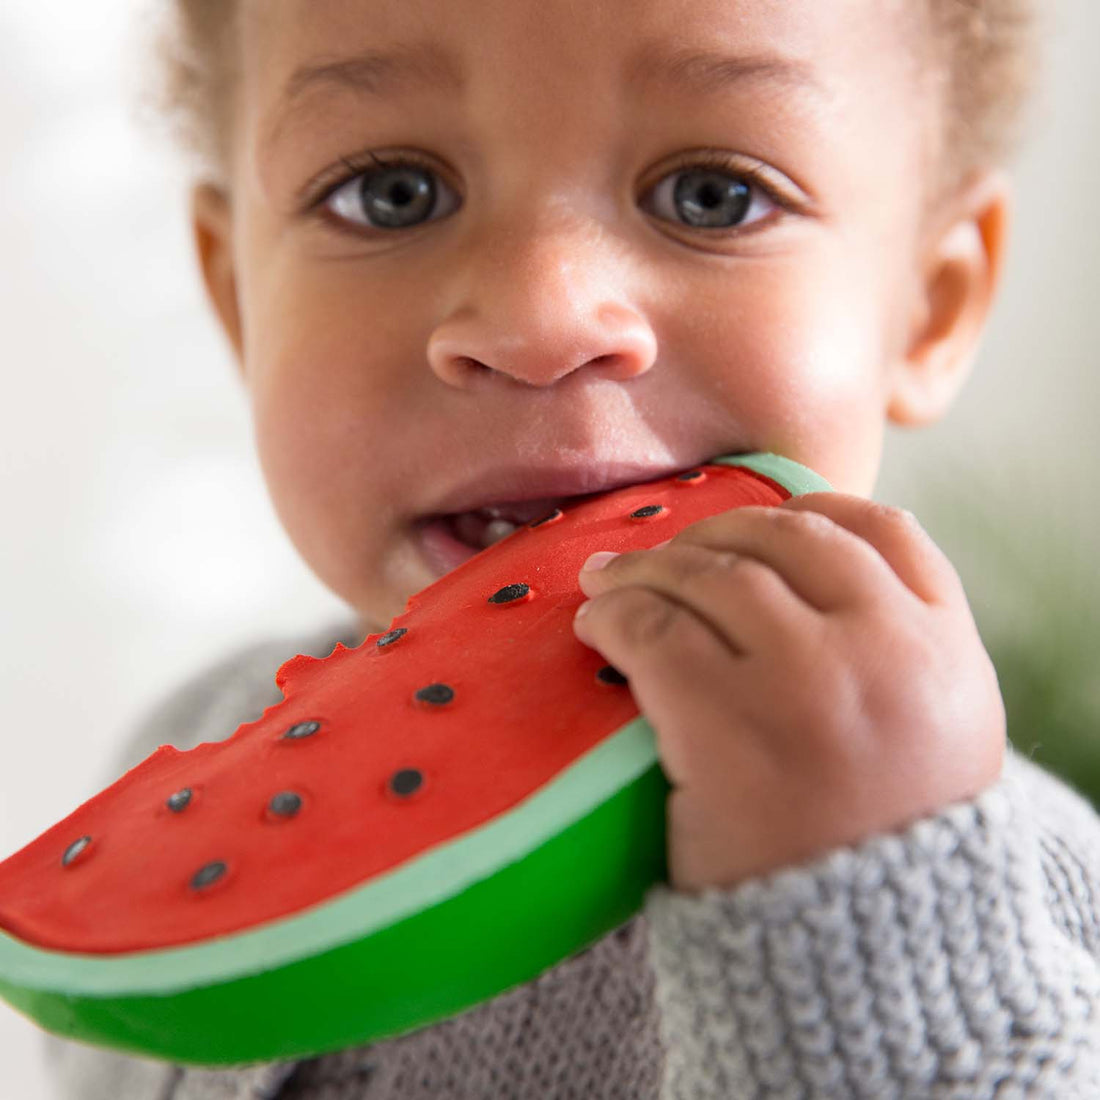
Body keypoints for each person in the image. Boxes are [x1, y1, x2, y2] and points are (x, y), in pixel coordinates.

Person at [43, 0, 1100, 1096]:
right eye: (391, 194)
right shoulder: (187, 748)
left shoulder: (1018, 890)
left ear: (928, 305)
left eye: (712, 196)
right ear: (238, 301)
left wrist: (862, 924)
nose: (539, 320)